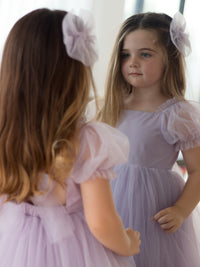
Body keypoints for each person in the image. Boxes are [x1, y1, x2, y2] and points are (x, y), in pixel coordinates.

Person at [0, 8, 141, 267]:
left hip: (13, 242)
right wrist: (127, 243)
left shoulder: (6, 133)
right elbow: (102, 222)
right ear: (75, 76)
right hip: (74, 251)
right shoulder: (86, 140)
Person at [97, 11, 200, 267]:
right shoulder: (111, 106)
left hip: (152, 213)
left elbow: (198, 170)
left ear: (169, 59)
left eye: (145, 54)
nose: (132, 62)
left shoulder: (176, 114)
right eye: (126, 55)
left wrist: (181, 210)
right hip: (109, 201)